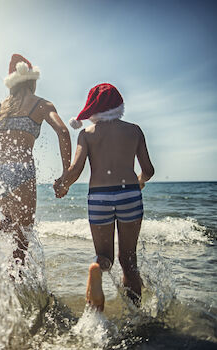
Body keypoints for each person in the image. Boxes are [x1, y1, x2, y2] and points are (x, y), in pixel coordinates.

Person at [0, 54, 71, 267]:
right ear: (32, 80)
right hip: (21, 169)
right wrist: (67, 173)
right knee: (23, 235)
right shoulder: (41, 104)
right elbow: (63, 132)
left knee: (10, 221)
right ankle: (16, 283)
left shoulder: (2, 107)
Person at [54, 83, 155, 311]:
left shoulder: (87, 134)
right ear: (119, 105)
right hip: (129, 194)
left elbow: (76, 170)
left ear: (93, 108)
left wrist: (62, 184)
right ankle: (135, 317)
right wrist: (139, 181)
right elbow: (148, 170)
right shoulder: (134, 130)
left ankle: (97, 273)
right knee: (128, 260)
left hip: (99, 197)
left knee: (104, 256)